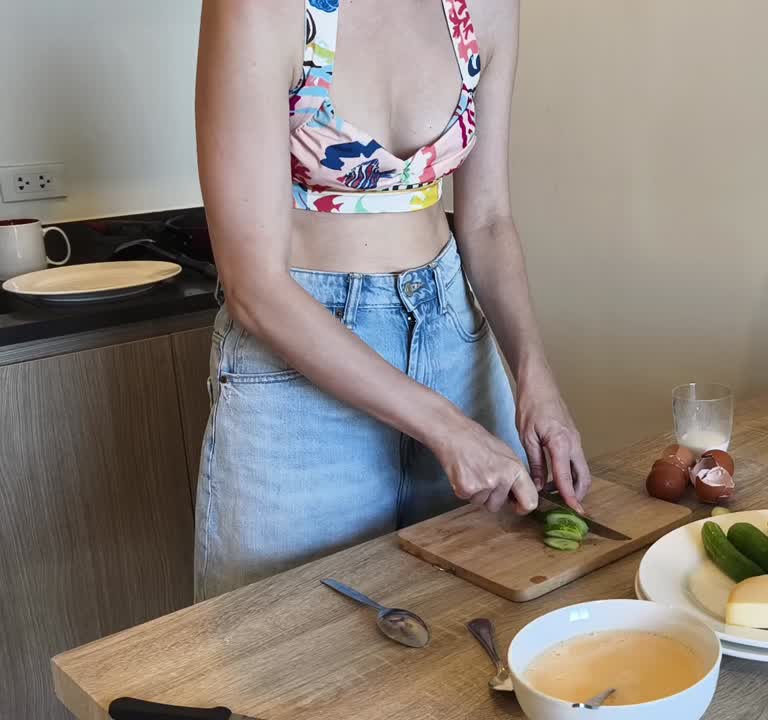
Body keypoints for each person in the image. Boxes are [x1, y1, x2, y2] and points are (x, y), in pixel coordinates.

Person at [192, 0, 589, 601]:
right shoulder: (260, 9)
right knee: (281, 654)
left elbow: (486, 221)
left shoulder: (487, 9)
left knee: (478, 632)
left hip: (453, 336)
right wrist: (444, 426)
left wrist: (537, 379)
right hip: (301, 363)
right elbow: (254, 288)